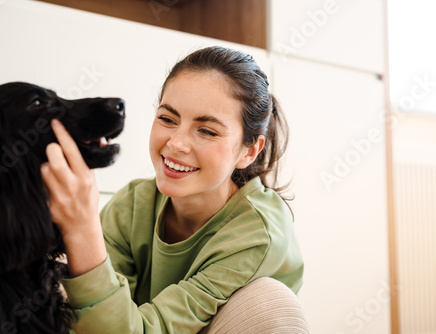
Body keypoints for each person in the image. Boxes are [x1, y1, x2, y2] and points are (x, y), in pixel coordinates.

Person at [41, 46, 304, 333]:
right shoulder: (133, 204)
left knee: (268, 300)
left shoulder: (256, 235)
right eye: (168, 119)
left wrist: (82, 227)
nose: (177, 143)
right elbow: (101, 317)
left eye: (207, 131)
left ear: (249, 151)